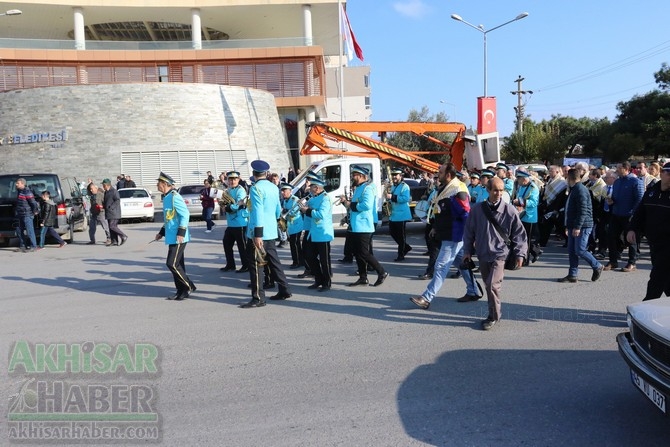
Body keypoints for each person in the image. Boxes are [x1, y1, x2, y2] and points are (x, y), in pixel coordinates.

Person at [462, 177, 528, 330]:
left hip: (500, 254)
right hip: (483, 253)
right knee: (488, 285)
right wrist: (467, 251)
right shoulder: (477, 209)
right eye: (495, 190)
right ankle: (492, 311)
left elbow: (519, 234)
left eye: (501, 190)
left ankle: (493, 316)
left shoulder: (509, 210)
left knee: (493, 285)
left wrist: (520, 254)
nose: (498, 193)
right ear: (488, 190)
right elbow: (469, 232)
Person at [409, 163, 470, 310]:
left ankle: (426, 297)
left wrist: (469, 235)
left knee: (441, 266)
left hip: (454, 234)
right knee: (461, 264)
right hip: (446, 233)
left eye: (441, 172)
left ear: (448, 174)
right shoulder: (444, 188)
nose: (438, 174)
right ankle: (473, 290)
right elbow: (441, 211)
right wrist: (435, 227)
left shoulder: (458, 189)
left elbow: (466, 214)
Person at [240, 160, 292, 308]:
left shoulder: (256, 189)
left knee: (256, 265)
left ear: (254, 174)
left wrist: (257, 234)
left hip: (259, 232)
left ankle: (258, 298)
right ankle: (284, 289)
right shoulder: (273, 187)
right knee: (274, 262)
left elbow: (257, 212)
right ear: (266, 173)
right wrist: (276, 222)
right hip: (270, 230)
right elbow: (277, 208)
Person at [339, 165, 388, 287]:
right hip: (356, 226)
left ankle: (381, 272)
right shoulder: (359, 188)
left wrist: (352, 205)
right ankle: (363, 277)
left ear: (361, 176)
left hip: (364, 226)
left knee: (364, 253)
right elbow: (353, 205)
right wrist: (346, 203)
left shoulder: (368, 188)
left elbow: (366, 205)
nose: (352, 177)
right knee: (358, 253)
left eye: (354, 175)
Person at [627, 162, 670, 300]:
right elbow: (640, 213)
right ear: (662, 173)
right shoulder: (651, 191)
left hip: (668, 243)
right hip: (654, 241)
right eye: (669, 173)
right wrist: (632, 229)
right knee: (666, 279)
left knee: (657, 275)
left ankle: (647, 305)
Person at [154, 172, 196, 301]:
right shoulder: (166, 197)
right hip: (172, 236)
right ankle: (181, 291)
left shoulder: (174, 197)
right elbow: (169, 219)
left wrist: (181, 232)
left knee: (171, 263)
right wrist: (161, 232)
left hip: (179, 236)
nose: (157, 185)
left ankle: (189, 285)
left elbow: (185, 215)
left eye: (159, 183)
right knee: (178, 265)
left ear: (165, 184)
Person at [558, 169, 604, 283]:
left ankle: (597, 265)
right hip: (574, 224)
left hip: (583, 225)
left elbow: (583, 210)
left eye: (566, 177)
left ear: (570, 178)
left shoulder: (580, 189)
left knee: (580, 250)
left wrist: (578, 227)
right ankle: (572, 275)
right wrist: (568, 226)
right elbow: (571, 209)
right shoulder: (574, 189)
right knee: (572, 250)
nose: (566, 180)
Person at [604, 161, 644, 272]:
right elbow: (616, 197)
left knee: (630, 239)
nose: (616, 170)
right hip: (616, 214)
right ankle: (613, 261)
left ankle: (632, 262)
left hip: (629, 215)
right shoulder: (617, 182)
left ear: (626, 169)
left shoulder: (635, 181)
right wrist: (612, 200)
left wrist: (634, 214)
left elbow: (639, 199)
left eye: (619, 168)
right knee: (611, 236)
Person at [300, 177, 334, 291]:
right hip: (312, 231)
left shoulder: (325, 198)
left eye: (312, 187)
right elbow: (309, 212)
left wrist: (308, 210)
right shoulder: (314, 198)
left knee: (324, 260)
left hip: (322, 232)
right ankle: (318, 279)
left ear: (317, 188)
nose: (310, 190)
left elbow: (321, 214)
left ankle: (327, 282)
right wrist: (303, 208)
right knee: (309, 255)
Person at [220, 171, 250, 273]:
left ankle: (246, 265)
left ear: (238, 180)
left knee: (242, 246)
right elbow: (224, 202)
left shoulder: (240, 191)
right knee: (226, 243)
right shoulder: (228, 190)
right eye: (230, 179)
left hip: (240, 222)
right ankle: (230, 264)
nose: (232, 181)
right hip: (231, 223)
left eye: (234, 179)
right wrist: (222, 204)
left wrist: (228, 207)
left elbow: (239, 205)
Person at [512, 170, 541, 264]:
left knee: (527, 239)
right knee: (522, 238)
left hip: (529, 217)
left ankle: (526, 259)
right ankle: (535, 252)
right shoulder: (521, 187)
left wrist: (521, 202)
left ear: (524, 179)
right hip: (521, 215)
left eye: (519, 179)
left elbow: (534, 203)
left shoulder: (533, 188)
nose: (518, 181)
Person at [387, 167, 412, 261]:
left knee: (401, 236)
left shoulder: (405, 186)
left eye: (396, 175)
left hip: (401, 215)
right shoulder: (393, 186)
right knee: (392, 233)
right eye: (393, 175)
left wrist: (392, 197)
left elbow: (405, 199)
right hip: (394, 214)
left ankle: (401, 255)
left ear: (401, 176)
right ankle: (406, 247)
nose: (394, 177)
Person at [280, 183, 304, 269]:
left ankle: (298, 261)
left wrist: (285, 212)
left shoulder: (294, 199)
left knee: (295, 243)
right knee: (293, 244)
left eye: (285, 191)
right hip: (291, 225)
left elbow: (295, 211)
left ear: (290, 191)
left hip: (296, 224)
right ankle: (298, 260)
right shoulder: (285, 200)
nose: (283, 193)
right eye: (282, 191)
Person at [14, 178, 40, 252]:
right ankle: (22, 246)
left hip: (27, 214)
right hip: (20, 214)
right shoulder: (19, 191)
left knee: (29, 231)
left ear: (22, 184)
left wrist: (35, 211)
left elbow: (33, 203)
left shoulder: (27, 192)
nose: (16, 184)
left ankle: (33, 246)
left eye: (18, 183)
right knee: (19, 230)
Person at [101, 178, 128, 246]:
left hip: (114, 212)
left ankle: (123, 236)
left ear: (107, 185)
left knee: (112, 226)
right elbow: (106, 201)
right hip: (108, 213)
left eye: (103, 185)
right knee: (111, 227)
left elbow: (117, 200)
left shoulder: (114, 191)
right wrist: (103, 206)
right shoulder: (106, 192)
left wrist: (111, 207)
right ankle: (114, 241)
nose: (103, 187)